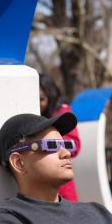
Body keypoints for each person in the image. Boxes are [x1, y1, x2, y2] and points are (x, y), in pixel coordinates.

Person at [38, 73, 81, 202]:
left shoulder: (62, 114)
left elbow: (75, 145)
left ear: (50, 96)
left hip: (61, 183)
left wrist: (48, 144)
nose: (38, 103)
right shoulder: (35, 116)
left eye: (41, 99)